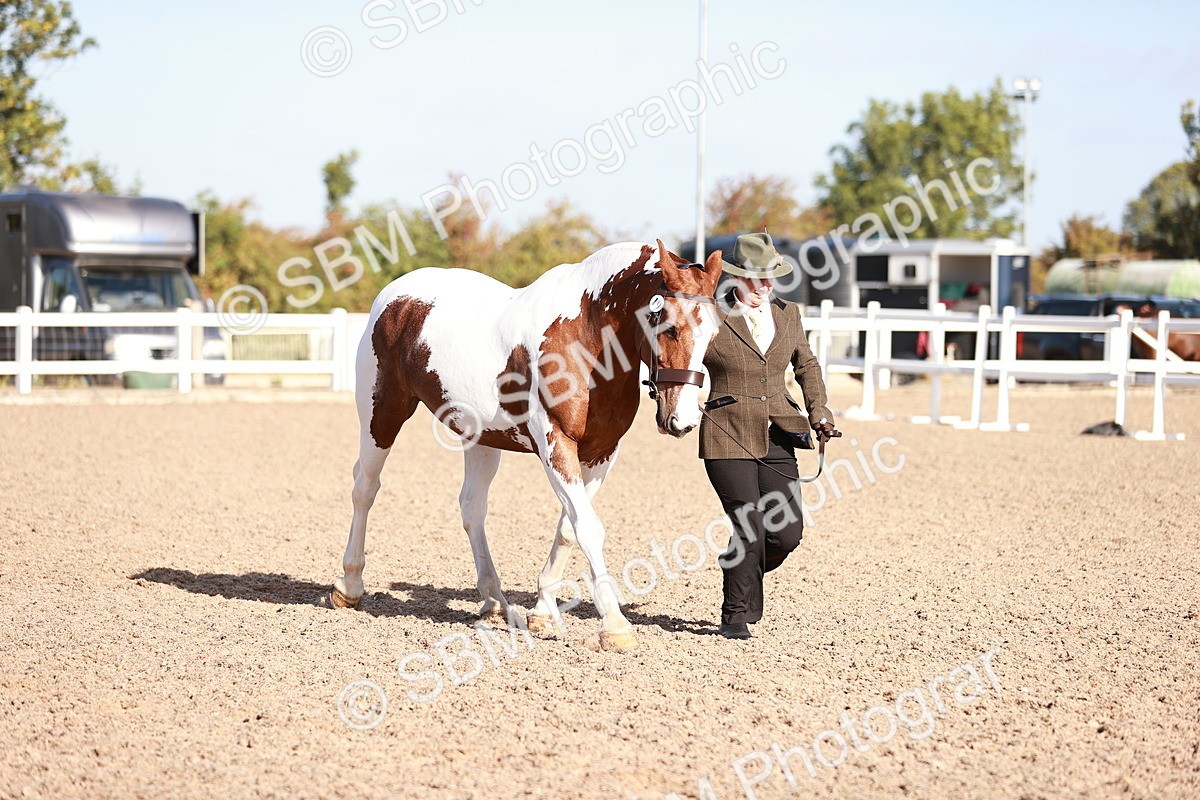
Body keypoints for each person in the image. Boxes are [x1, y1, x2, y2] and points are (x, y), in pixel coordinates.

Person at [699, 232, 837, 640]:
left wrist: (820, 412)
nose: (766, 287)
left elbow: (807, 366)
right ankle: (735, 615)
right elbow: (677, 356)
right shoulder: (712, 315)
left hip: (780, 428)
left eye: (771, 278)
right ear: (738, 278)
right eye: (758, 279)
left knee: (786, 533)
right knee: (750, 525)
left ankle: (736, 563)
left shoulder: (788, 313)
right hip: (727, 430)